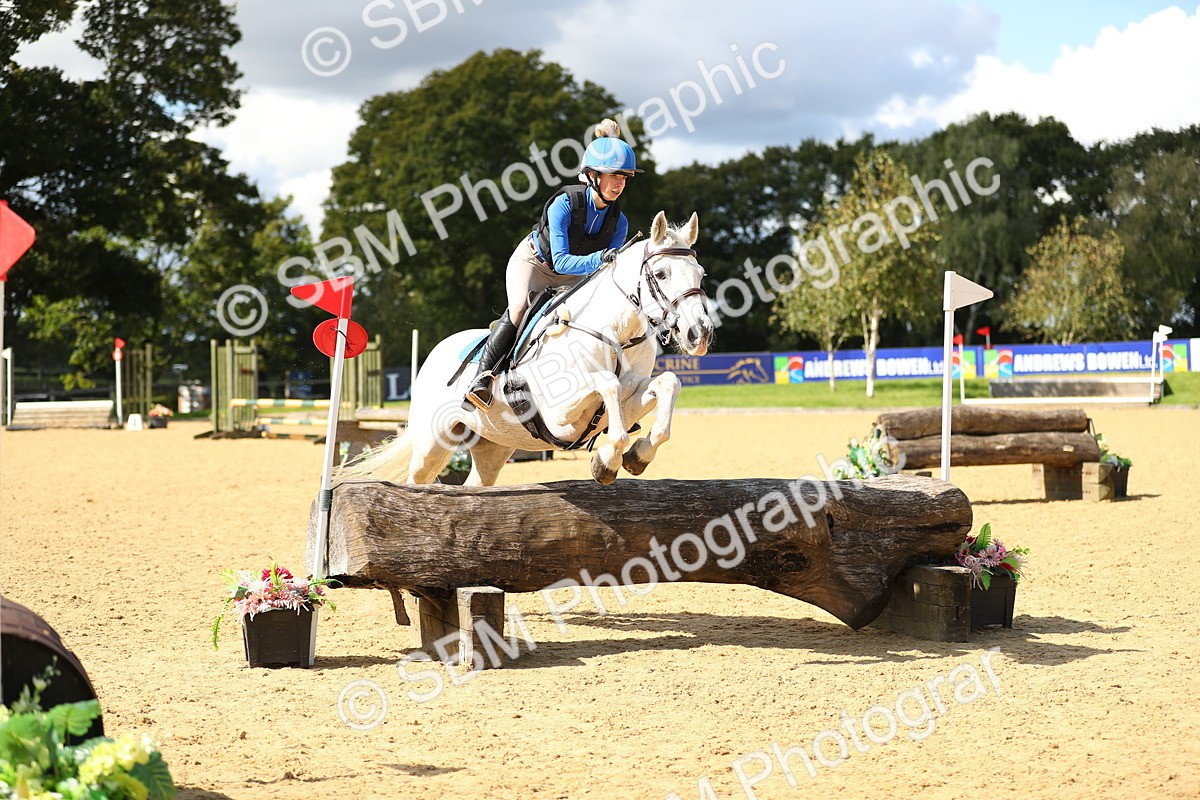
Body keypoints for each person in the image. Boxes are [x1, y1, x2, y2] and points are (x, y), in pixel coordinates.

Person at [463, 118, 641, 411]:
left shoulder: (619, 221)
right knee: (520, 308)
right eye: (613, 176)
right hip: (536, 263)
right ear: (592, 176)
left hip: (575, 276)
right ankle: (481, 379)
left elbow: (604, 275)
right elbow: (561, 260)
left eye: (624, 177)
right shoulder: (565, 204)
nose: (620, 184)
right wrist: (602, 259)